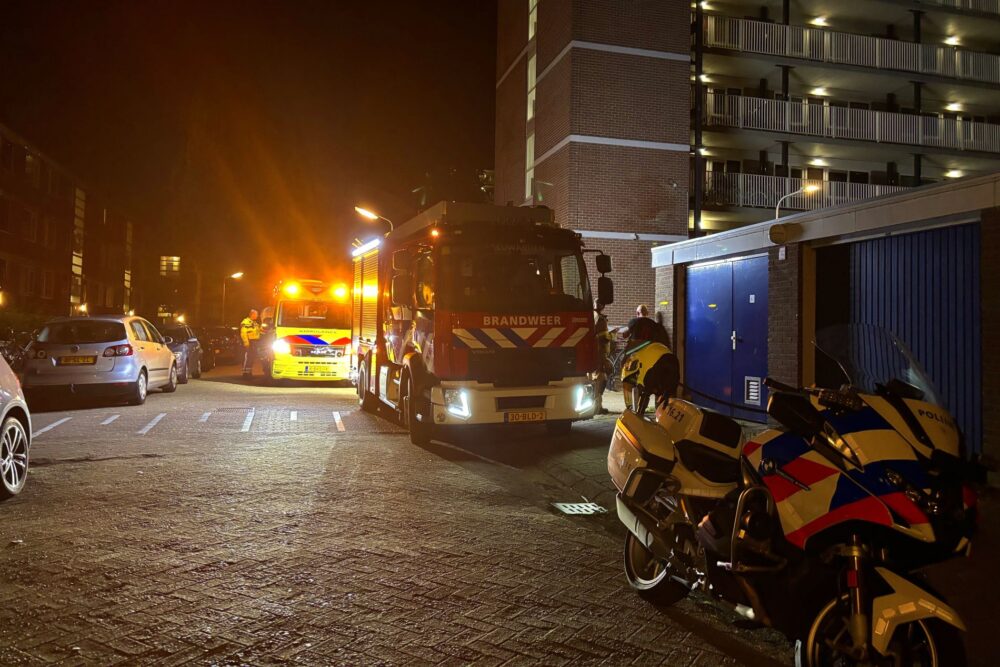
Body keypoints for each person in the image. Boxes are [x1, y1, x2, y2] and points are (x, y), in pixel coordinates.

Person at [591, 299, 613, 414]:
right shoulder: (596, 316)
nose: (600, 305)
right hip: (598, 352)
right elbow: (594, 334)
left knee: (602, 377)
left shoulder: (598, 316)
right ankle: (596, 406)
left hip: (601, 353)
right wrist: (608, 337)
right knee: (600, 379)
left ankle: (598, 405)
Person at [240, 309, 261, 377]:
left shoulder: (254, 323)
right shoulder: (246, 322)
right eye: (257, 314)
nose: (258, 316)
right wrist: (246, 342)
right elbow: (243, 333)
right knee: (248, 358)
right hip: (250, 342)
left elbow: (258, 331)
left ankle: (249, 372)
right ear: (253, 314)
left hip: (254, 342)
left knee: (251, 358)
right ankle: (246, 373)